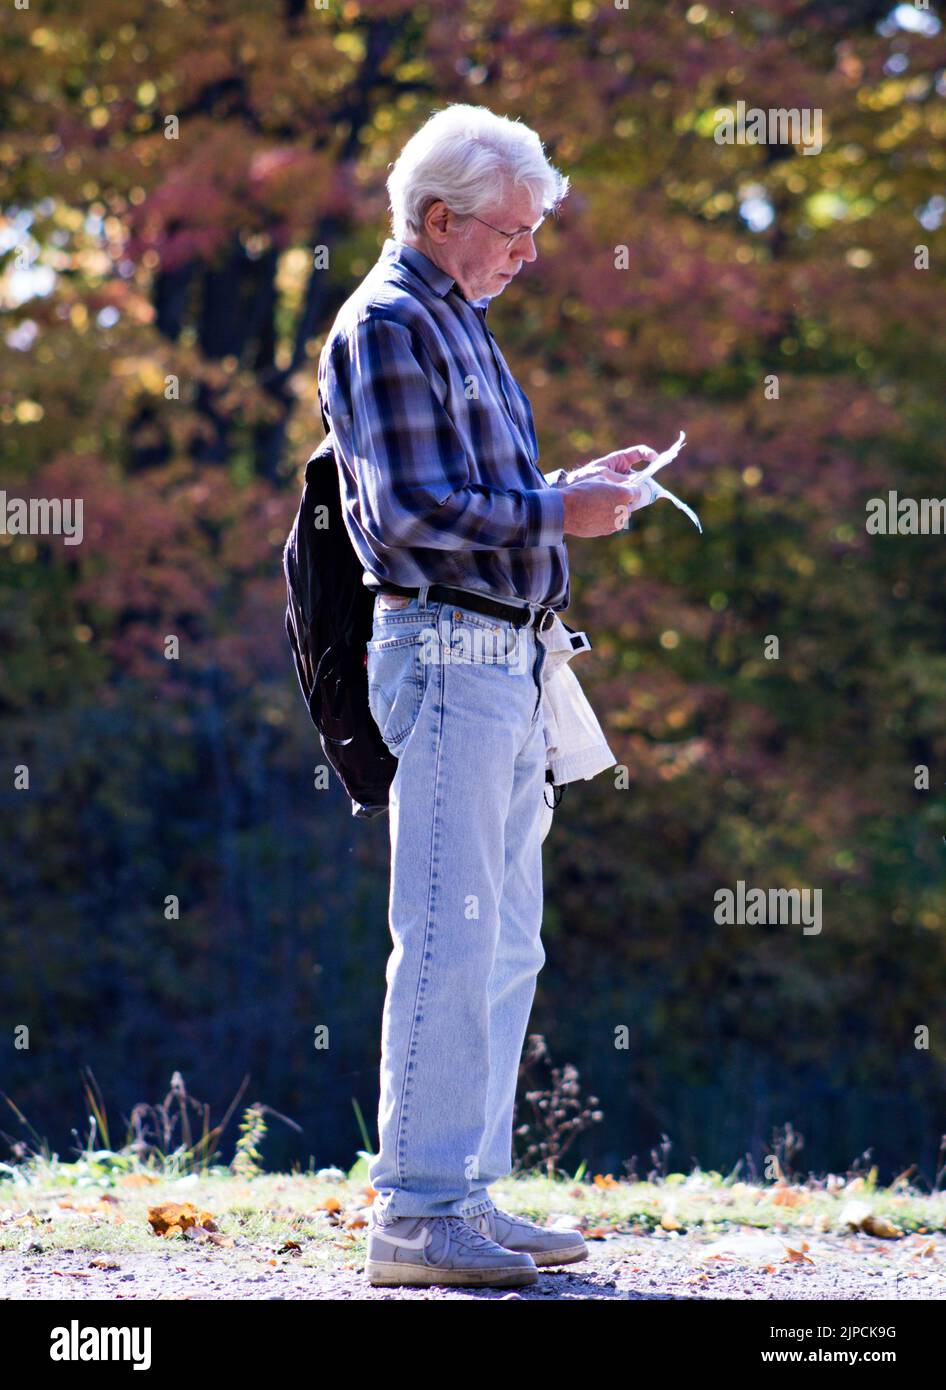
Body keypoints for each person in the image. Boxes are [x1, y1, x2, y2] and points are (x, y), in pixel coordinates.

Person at [318, 103, 651, 1288]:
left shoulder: (456, 319)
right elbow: (411, 518)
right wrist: (558, 511)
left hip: (510, 653)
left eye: (535, 230)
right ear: (439, 217)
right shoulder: (389, 324)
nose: (527, 250)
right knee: (451, 936)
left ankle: (459, 1192)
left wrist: (569, 485)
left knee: (503, 941)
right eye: (510, 229)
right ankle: (415, 1215)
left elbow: (469, 494)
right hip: (450, 655)